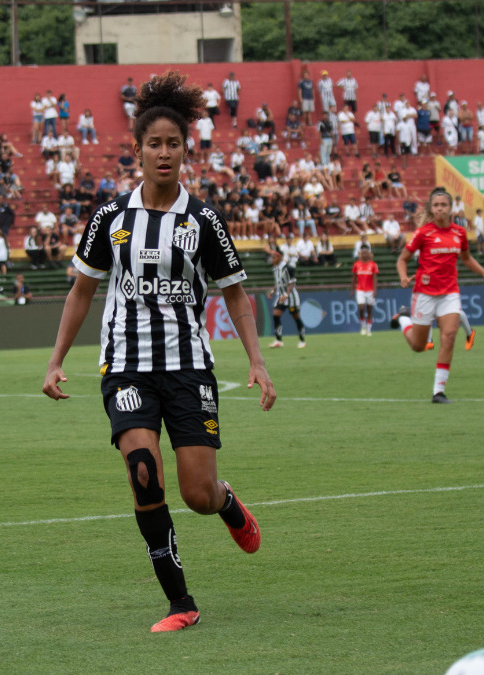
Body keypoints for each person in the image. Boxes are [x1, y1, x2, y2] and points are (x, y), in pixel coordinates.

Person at [41, 71, 275, 634]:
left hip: (189, 367)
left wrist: (257, 359)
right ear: (138, 150)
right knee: (144, 471)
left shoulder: (204, 221)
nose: (163, 153)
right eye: (154, 144)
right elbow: (82, 291)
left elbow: (237, 295)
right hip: (125, 367)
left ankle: (225, 502)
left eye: (173, 143)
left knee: (196, 493)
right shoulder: (110, 219)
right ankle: (180, 603)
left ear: (184, 150)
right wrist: (54, 359)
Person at [390, 187, 484, 404]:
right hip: (424, 294)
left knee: (448, 336)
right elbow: (402, 259)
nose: (440, 209)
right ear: (431, 208)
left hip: (449, 293)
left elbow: (466, 258)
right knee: (418, 347)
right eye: (436, 205)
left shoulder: (459, 232)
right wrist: (402, 276)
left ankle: (438, 391)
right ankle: (402, 319)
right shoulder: (423, 233)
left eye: (443, 205)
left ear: (450, 208)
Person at [268, 248, 306, 349]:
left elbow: (292, 282)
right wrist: (273, 290)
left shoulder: (288, 268)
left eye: (274, 257)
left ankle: (302, 340)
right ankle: (278, 340)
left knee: (296, 317)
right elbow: (278, 282)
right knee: (276, 315)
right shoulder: (275, 269)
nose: (272, 259)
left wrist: (286, 294)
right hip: (281, 297)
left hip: (290, 297)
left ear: (280, 257)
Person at [351, 246, 378, 336]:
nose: (364, 255)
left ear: (368, 254)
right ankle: (363, 326)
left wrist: (375, 290)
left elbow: (374, 278)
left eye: (366, 253)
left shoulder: (373, 265)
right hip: (360, 290)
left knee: (369, 310)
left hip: (370, 290)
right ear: (360, 255)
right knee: (361, 308)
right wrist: (351, 290)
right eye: (363, 253)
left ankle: (369, 329)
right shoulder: (356, 265)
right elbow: (354, 278)